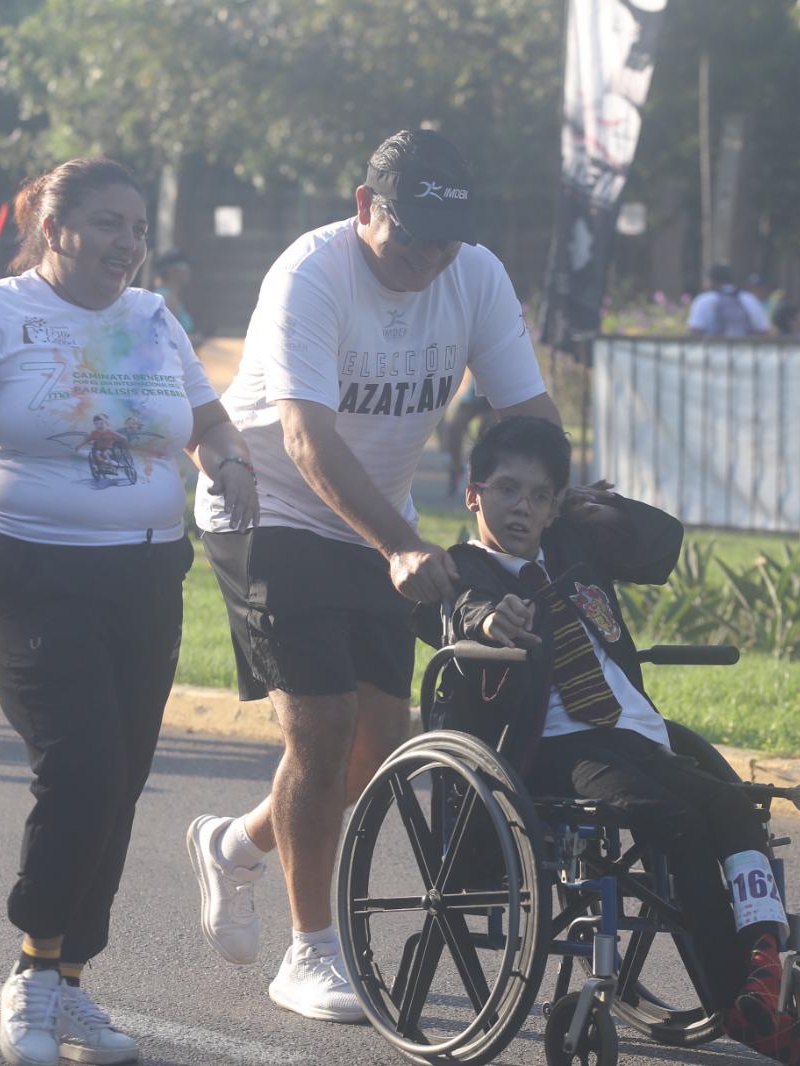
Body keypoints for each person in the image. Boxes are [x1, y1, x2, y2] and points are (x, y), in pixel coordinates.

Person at [0, 157, 257, 1066]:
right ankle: (30, 972)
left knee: (121, 781)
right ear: (53, 230)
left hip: (143, 579)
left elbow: (206, 425)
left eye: (135, 227)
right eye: (106, 224)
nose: (126, 245)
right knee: (83, 766)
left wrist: (231, 462)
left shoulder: (151, 318)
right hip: (24, 574)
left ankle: (70, 983)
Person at [187, 128, 560, 1023]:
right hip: (267, 508)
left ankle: (235, 844)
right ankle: (310, 952)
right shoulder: (309, 276)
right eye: (414, 235)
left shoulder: (473, 274)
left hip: (370, 520)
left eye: (448, 238)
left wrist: (568, 505)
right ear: (365, 208)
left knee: (379, 749)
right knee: (320, 726)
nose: (432, 258)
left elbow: (530, 415)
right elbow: (308, 438)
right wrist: (399, 544)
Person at [432, 416, 800, 1066]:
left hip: (635, 735)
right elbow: (449, 613)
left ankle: (764, 961)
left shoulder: (573, 553)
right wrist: (488, 619)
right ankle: (741, 1001)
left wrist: (596, 504)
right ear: (474, 492)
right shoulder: (465, 570)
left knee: (733, 807)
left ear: (554, 505)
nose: (521, 508)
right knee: (674, 821)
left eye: (538, 495)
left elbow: (661, 543)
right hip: (557, 751)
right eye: (507, 490)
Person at [687, 264, 767, 339]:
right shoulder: (749, 299)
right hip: (745, 351)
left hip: (713, 351)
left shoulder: (704, 300)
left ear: (711, 280)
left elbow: (695, 331)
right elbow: (763, 330)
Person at [152, 251, 202, 346]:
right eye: (186, 268)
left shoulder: (169, 297)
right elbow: (167, 338)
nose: (189, 271)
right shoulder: (167, 299)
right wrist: (194, 340)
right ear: (174, 271)